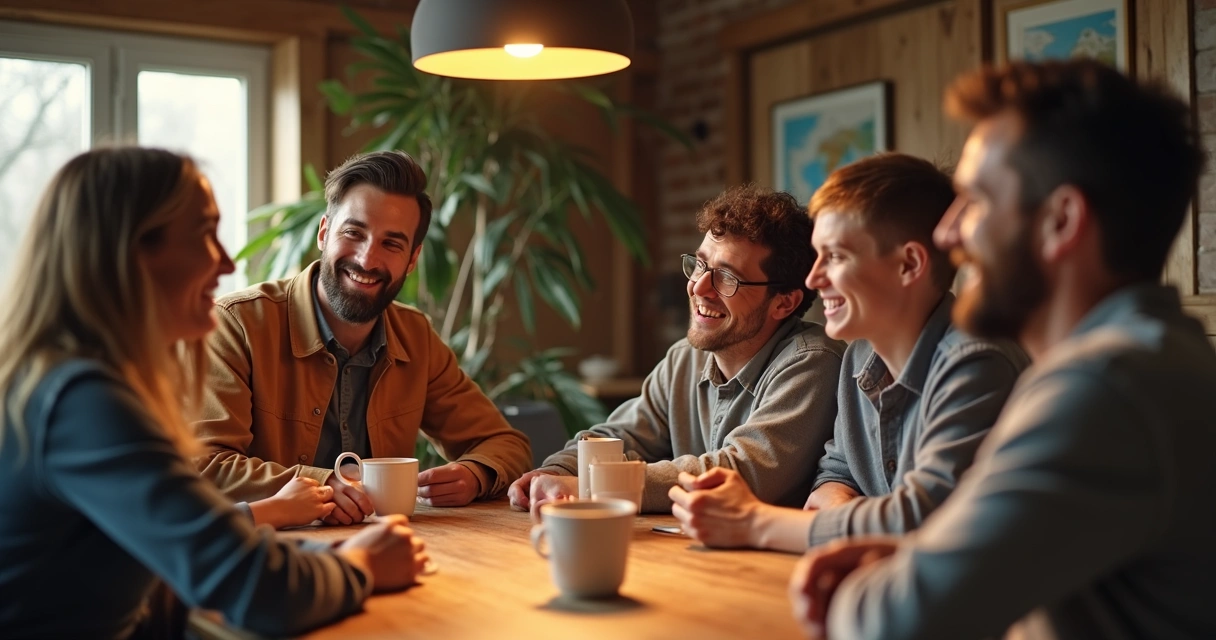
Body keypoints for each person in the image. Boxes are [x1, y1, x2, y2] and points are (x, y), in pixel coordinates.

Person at [790, 60, 1216, 640]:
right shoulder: (1149, 359)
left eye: (978, 201)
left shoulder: (1102, 387)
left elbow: (896, 623)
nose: (948, 233)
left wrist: (868, 586)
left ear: (1061, 221)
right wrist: (910, 562)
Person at [0, 148, 428, 638]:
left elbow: (187, 542)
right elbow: (252, 590)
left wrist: (328, 555)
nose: (226, 262)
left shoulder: (64, 383)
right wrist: (361, 569)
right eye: (204, 234)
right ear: (130, 254)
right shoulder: (83, 402)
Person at [668, 154, 1028, 551]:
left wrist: (753, 521)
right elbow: (837, 472)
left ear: (909, 265)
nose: (813, 279)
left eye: (836, 256)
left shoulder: (976, 362)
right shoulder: (859, 356)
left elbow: (932, 519)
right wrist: (843, 511)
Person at [195, 151, 532, 525]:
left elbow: (506, 444)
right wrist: (321, 486)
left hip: (387, 548)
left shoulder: (415, 335)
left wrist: (474, 474)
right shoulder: (236, 324)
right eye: (354, 233)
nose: (368, 260)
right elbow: (205, 467)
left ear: (412, 258)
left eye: (392, 244)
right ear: (324, 232)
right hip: (265, 554)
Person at [508, 184, 846, 515]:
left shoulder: (813, 362)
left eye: (727, 277)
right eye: (700, 265)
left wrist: (591, 486)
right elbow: (619, 436)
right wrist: (555, 472)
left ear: (784, 303)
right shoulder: (685, 357)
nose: (698, 287)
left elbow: (740, 471)